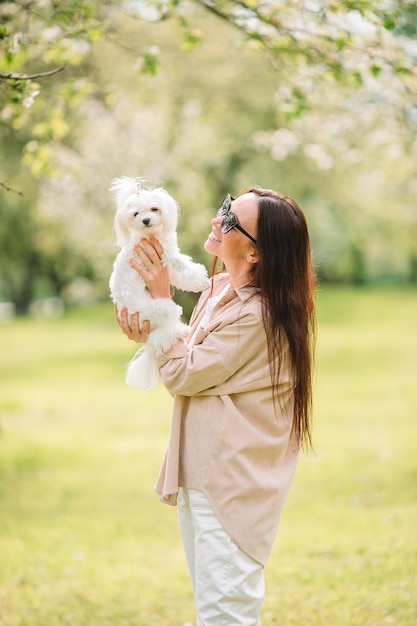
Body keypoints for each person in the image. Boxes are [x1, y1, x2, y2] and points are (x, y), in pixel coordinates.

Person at [116, 186, 316, 626]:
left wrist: (162, 306)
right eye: (225, 206)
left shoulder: (259, 313)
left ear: (257, 253)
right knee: (214, 611)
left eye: (229, 219)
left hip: (229, 482)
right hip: (202, 471)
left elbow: (185, 374)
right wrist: (152, 325)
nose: (215, 219)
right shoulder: (220, 288)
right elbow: (187, 358)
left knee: (226, 615)